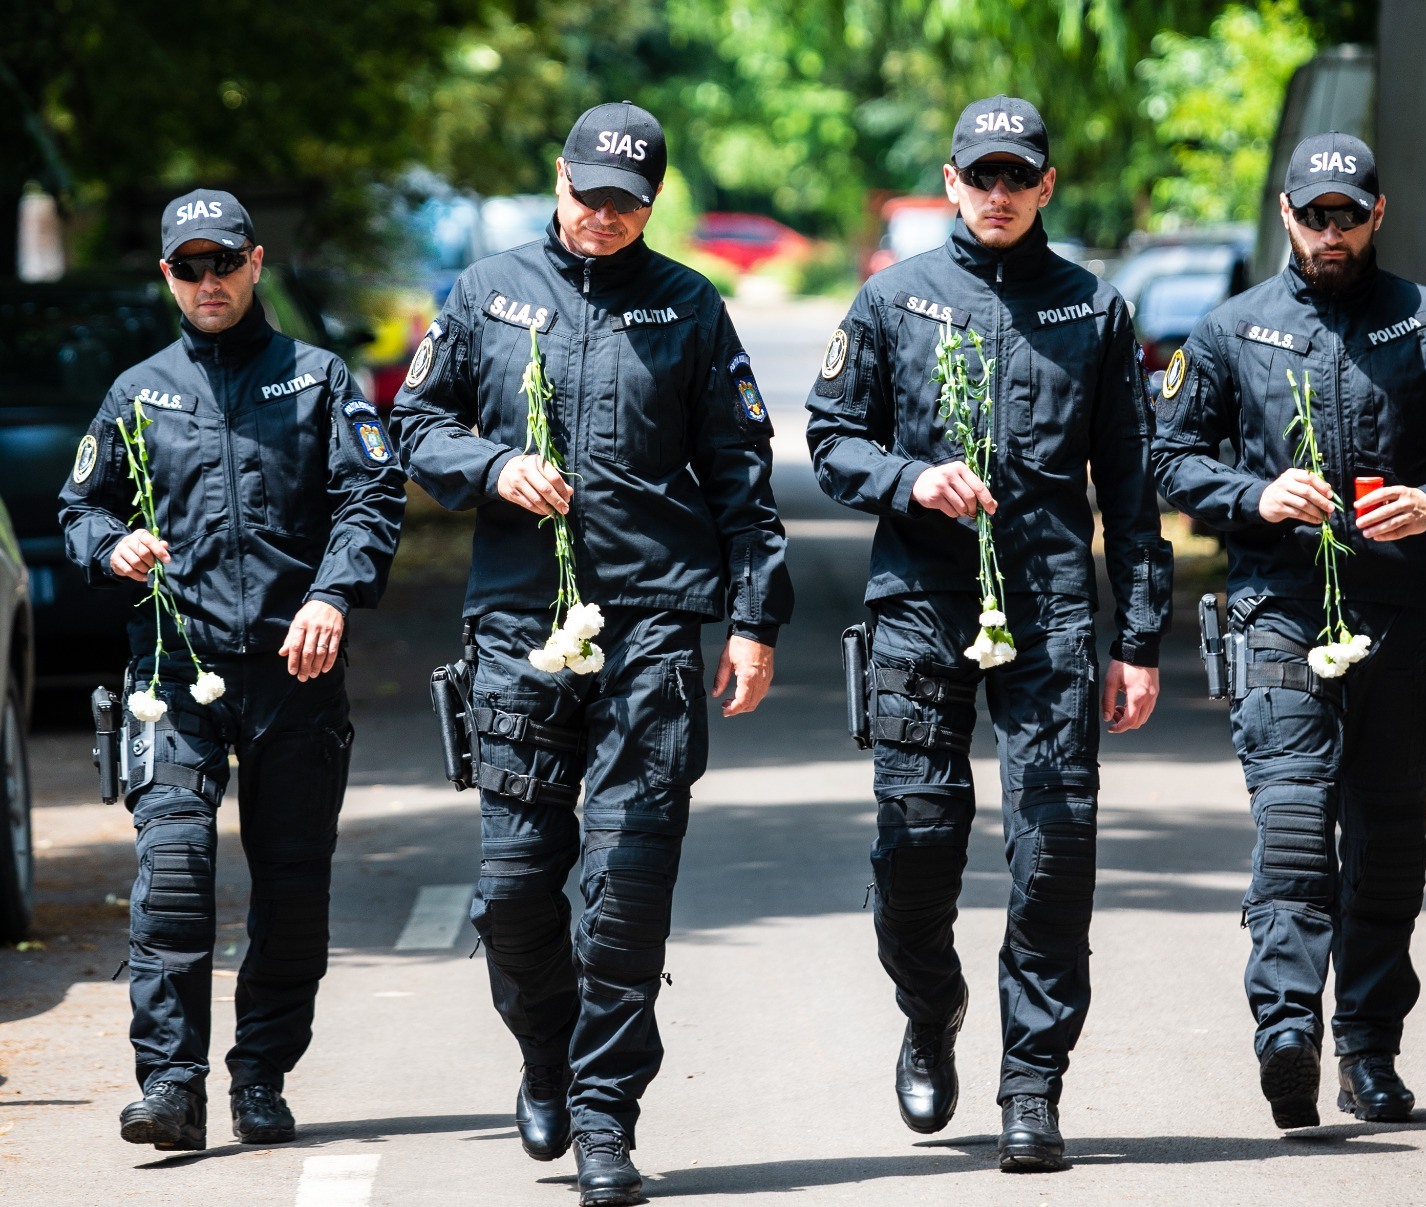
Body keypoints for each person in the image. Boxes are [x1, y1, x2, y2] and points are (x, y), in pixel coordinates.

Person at [392, 101, 791, 1207]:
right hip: (518, 623)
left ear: (650, 204)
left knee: (623, 889)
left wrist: (754, 618)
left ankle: (606, 1116)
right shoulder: (486, 292)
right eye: (587, 196)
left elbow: (741, 475)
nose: (602, 218)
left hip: (652, 622)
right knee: (512, 891)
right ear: (556, 177)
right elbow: (414, 425)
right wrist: (491, 466)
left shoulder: (688, 305)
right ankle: (547, 1054)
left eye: (626, 203)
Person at [807, 95, 1172, 1171]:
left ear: (1046, 185)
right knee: (916, 846)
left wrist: (1139, 636)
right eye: (982, 175)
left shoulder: (1094, 309)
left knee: (1054, 852)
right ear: (952, 183)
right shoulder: (893, 299)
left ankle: (1032, 1086)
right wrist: (912, 479)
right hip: (922, 604)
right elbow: (832, 441)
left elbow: (1132, 492)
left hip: (1051, 608)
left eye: (1018, 176)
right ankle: (931, 1007)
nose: (999, 193)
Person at [1152, 133, 1426, 1129]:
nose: (1331, 232)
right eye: (1314, 215)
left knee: (1387, 842)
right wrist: (1255, 493)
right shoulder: (1232, 328)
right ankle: (1286, 1031)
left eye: (1349, 215)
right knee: (1291, 823)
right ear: (1286, 214)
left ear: (1377, 214)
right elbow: (1170, 456)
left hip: (1398, 622)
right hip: (1277, 611)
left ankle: (1368, 1047)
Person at [59, 189, 407, 1150]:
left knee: (290, 887)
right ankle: (171, 1086)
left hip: (297, 671)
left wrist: (332, 596)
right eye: (189, 267)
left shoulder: (317, 379)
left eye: (223, 263)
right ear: (166, 275)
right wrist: (113, 545)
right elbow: (80, 508)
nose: (207, 281)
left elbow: (372, 497)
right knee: (172, 872)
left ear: (255, 262)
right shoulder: (137, 392)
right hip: (173, 674)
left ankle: (261, 1075)